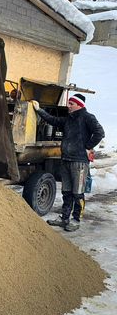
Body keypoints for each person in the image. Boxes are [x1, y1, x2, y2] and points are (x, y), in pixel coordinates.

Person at [32, 94, 105, 232]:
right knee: (66, 192)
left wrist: (88, 146)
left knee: (78, 194)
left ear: (79, 105)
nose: (68, 106)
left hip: (79, 162)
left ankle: (76, 220)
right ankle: (64, 218)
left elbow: (100, 132)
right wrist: (39, 110)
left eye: (71, 103)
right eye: (69, 103)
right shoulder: (68, 119)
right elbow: (53, 120)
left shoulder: (88, 117)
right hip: (65, 160)